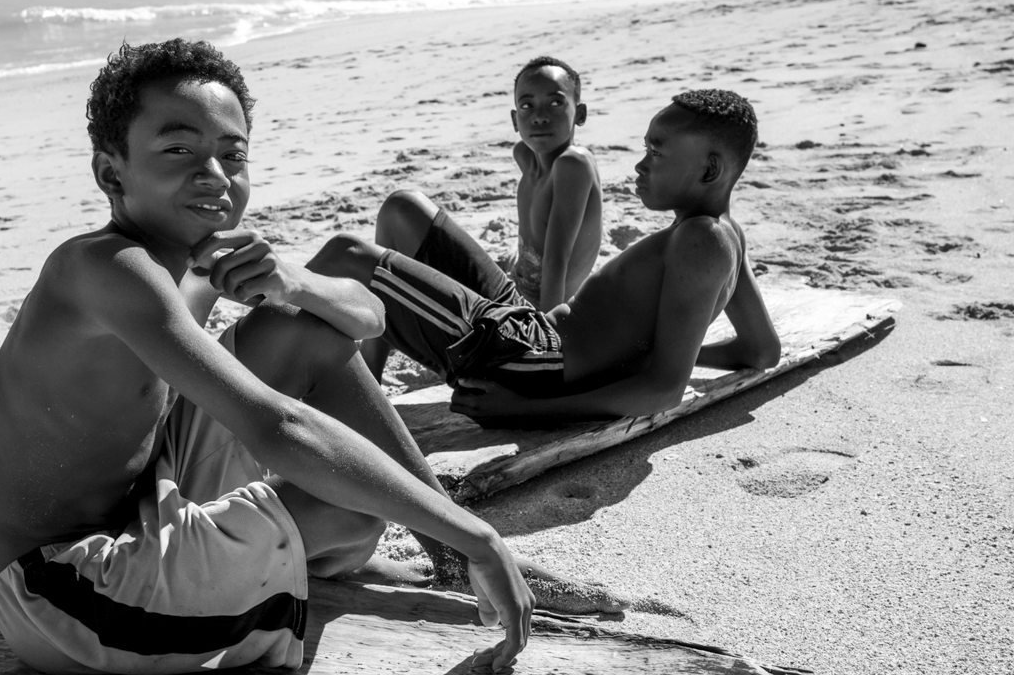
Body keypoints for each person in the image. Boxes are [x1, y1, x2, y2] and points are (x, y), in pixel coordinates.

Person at [0, 39, 613, 675]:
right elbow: (275, 426)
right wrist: (479, 534)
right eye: (178, 150)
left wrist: (295, 282)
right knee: (353, 508)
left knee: (298, 332)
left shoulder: (201, 254)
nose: (213, 175)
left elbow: (366, 318)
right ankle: (451, 550)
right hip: (61, 589)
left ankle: (433, 557)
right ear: (112, 173)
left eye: (230, 153)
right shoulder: (108, 268)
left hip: (138, 503)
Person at [309, 89, 782, 426]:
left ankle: (249, 374)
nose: (640, 165)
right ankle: (365, 382)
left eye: (656, 153)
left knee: (346, 256)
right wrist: (655, 353)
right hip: (530, 327)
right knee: (405, 208)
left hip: (528, 361)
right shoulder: (723, 234)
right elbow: (760, 351)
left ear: (711, 169)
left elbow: (663, 390)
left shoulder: (702, 241)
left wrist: (523, 410)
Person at [360, 56, 600, 384]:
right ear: (515, 120)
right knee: (397, 211)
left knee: (398, 213)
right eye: (527, 106)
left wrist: (546, 346)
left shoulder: (574, 164)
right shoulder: (528, 159)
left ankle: (367, 375)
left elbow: (556, 261)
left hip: (528, 323)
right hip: (508, 297)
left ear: (580, 113)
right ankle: (369, 373)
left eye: (556, 103)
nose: (540, 116)